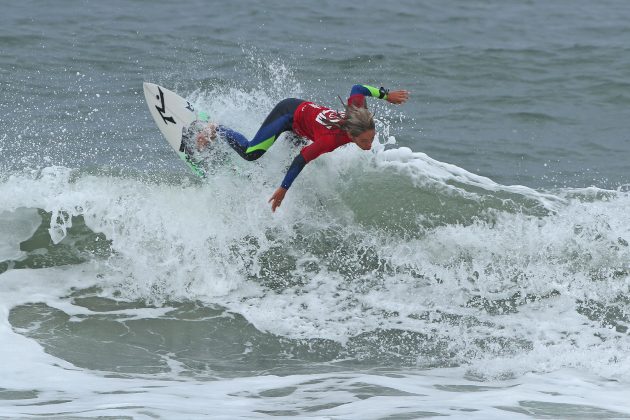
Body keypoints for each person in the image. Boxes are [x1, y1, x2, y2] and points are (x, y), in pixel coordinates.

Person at [196, 84, 409, 212]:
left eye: (371, 139)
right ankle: (216, 129)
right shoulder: (330, 140)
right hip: (288, 114)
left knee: (282, 164)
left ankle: (262, 178)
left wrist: (385, 95)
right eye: (365, 141)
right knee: (252, 153)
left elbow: (358, 89)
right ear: (351, 135)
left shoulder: (359, 113)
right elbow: (301, 159)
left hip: (303, 126)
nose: (369, 144)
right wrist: (283, 190)